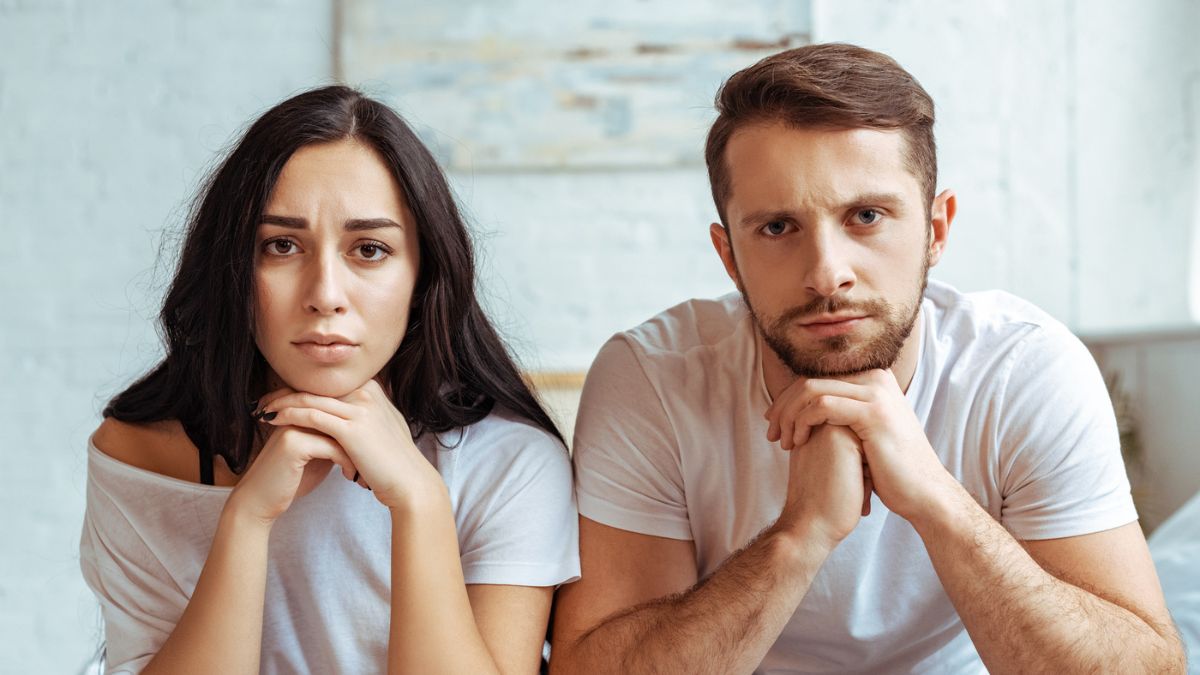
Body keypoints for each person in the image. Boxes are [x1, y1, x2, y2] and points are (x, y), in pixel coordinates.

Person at [550, 43, 1185, 673]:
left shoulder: (1023, 368)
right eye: (777, 228)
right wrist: (799, 537)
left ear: (936, 231)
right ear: (728, 256)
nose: (827, 275)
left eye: (866, 215)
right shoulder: (654, 377)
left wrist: (937, 501)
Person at [80, 85, 579, 674]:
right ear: (233, 267)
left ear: (424, 276)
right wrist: (246, 520)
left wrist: (417, 502)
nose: (325, 296)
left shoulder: (510, 462)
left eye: (369, 249)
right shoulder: (141, 455)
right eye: (282, 246)